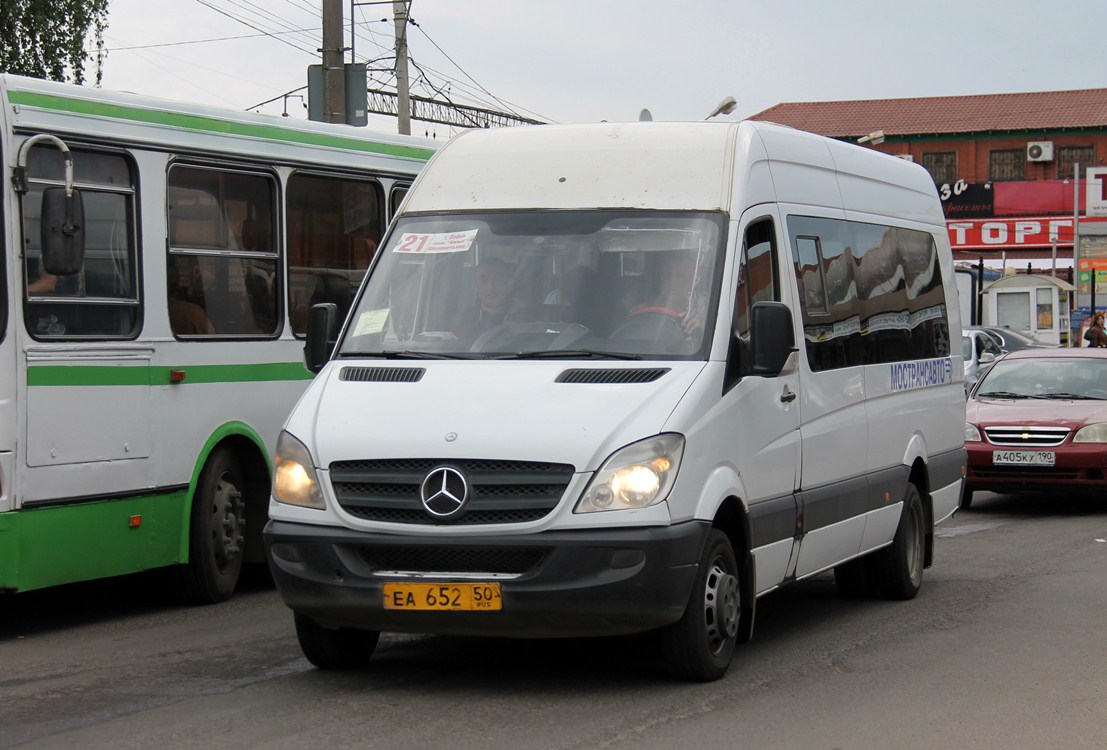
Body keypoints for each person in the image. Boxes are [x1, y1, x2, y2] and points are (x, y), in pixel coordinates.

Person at [620, 251, 704, 337]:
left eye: (681, 276)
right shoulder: (641, 312)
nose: (672, 282)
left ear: (694, 280)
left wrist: (699, 331)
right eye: (667, 275)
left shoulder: (709, 311)